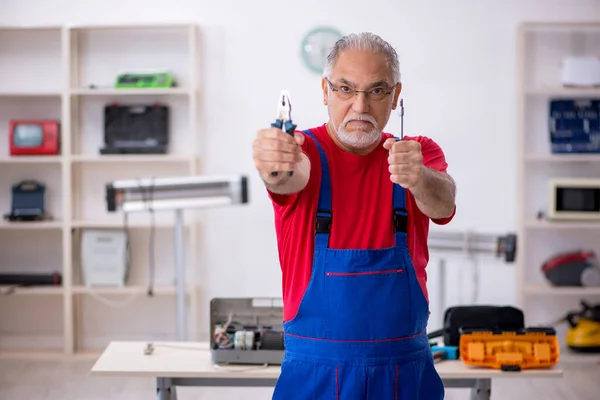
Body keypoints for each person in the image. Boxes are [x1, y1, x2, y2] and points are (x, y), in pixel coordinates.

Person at [252, 32, 456, 400]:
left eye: (376, 91)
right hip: (315, 377)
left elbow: (442, 204)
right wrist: (275, 165)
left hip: (404, 377)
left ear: (395, 96)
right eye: (346, 89)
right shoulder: (306, 154)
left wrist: (418, 176)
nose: (360, 106)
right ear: (325, 91)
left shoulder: (416, 153)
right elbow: (286, 178)